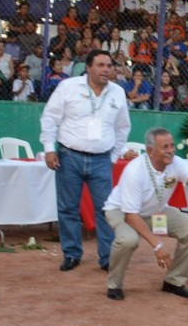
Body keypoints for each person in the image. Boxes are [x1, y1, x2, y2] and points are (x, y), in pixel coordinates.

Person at [102, 128, 188, 301]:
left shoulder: (176, 162)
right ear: (151, 151)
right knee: (128, 240)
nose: (171, 150)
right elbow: (131, 215)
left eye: (172, 145)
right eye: (165, 147)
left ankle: (174, 282)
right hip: (122, 211)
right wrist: (157, 246)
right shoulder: (135, 170)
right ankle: (114, 285)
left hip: (155, 210)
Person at [39, 50, 133, 273]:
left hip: (101, 159)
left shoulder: (118, 92)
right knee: (68, 208)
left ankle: (107, 257)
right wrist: (49, 149)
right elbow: (50, 117)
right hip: (68, 156)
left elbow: (123, 128)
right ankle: (71, 254)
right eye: (101, 65)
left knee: (107, 210)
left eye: (109, 66)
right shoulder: (68, 87)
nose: (106, 70)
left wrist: (112, 156)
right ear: (88, 67)